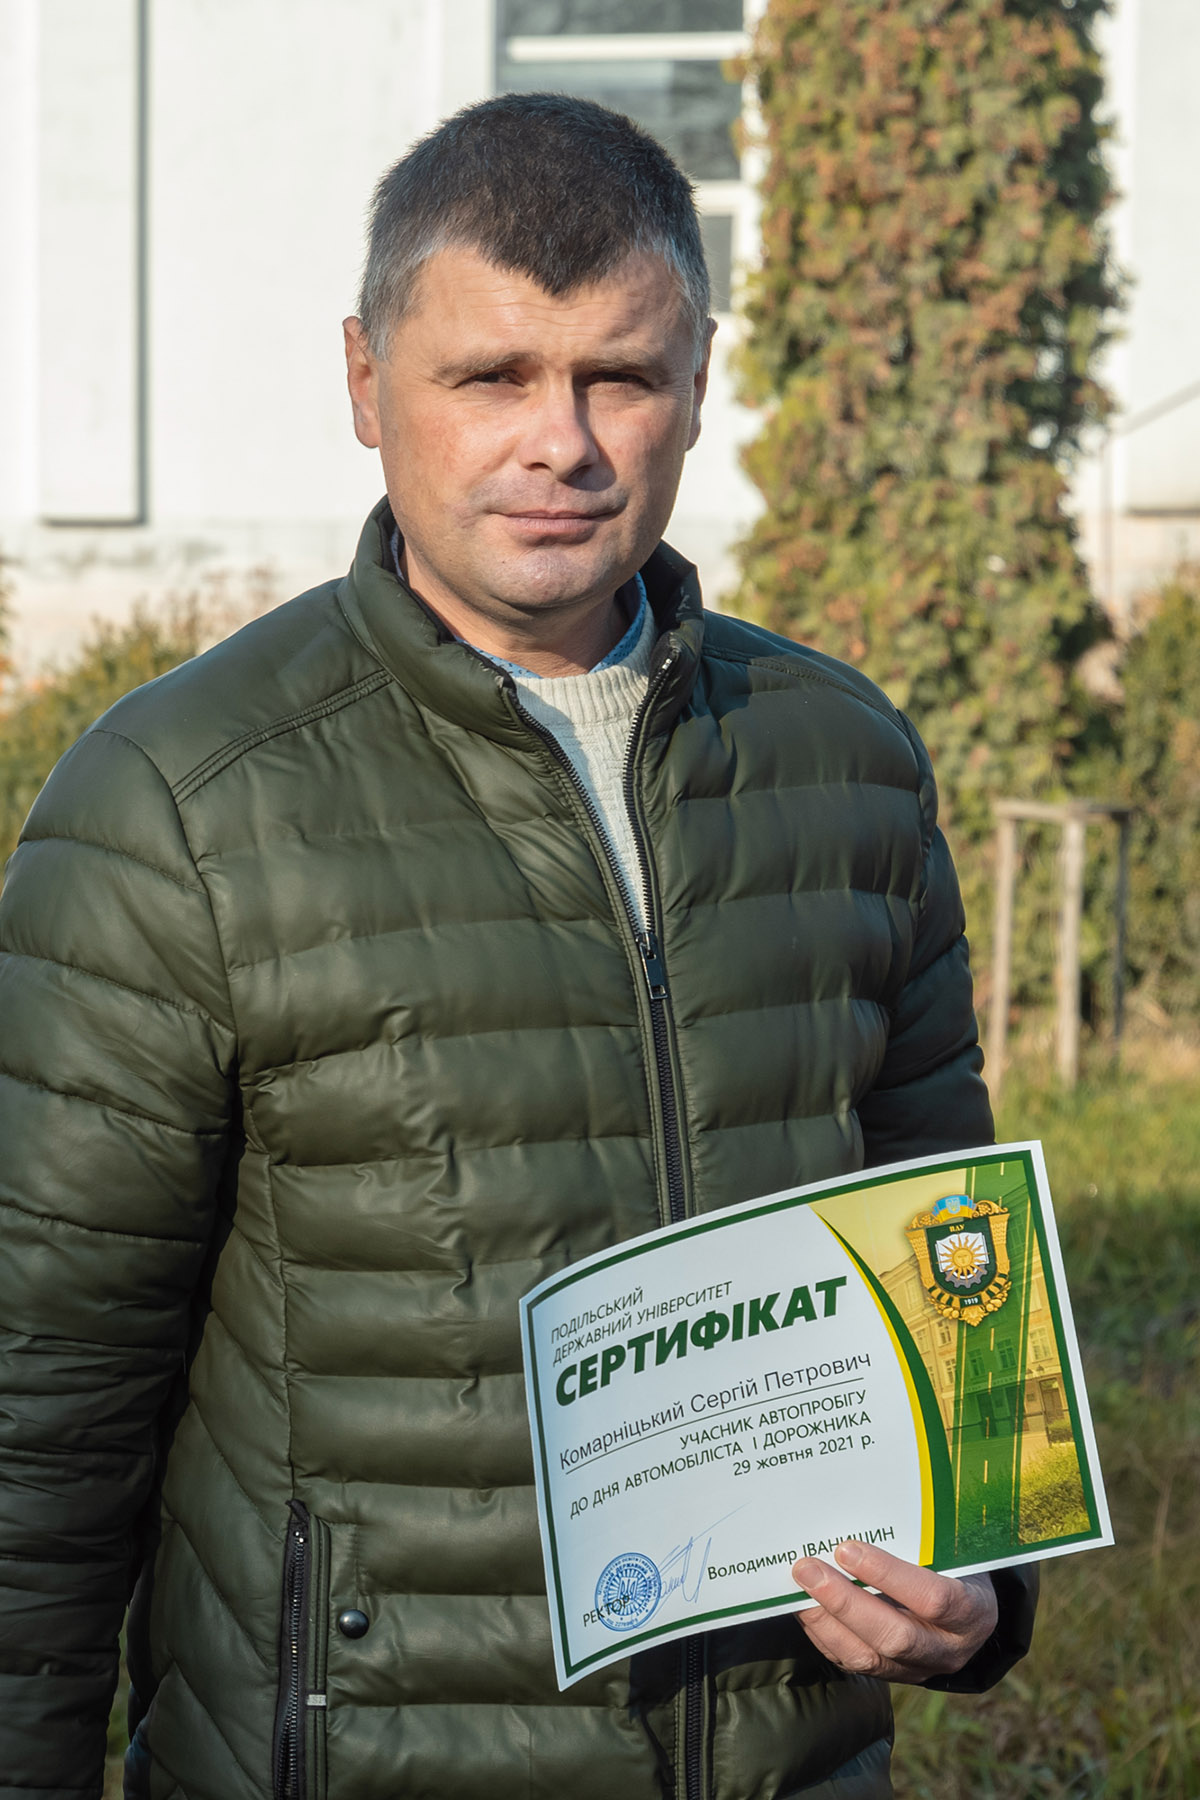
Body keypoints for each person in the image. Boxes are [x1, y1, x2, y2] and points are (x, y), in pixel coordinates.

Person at [0, 94, 1035, 1800]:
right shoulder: (176, 803)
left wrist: (985, 1583)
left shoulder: (845, 761)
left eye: (619, 376)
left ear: (699, 377)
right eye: (489, 376)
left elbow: (949, 1255)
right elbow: (42, 1418)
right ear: (364, 380)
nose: (561, 442)